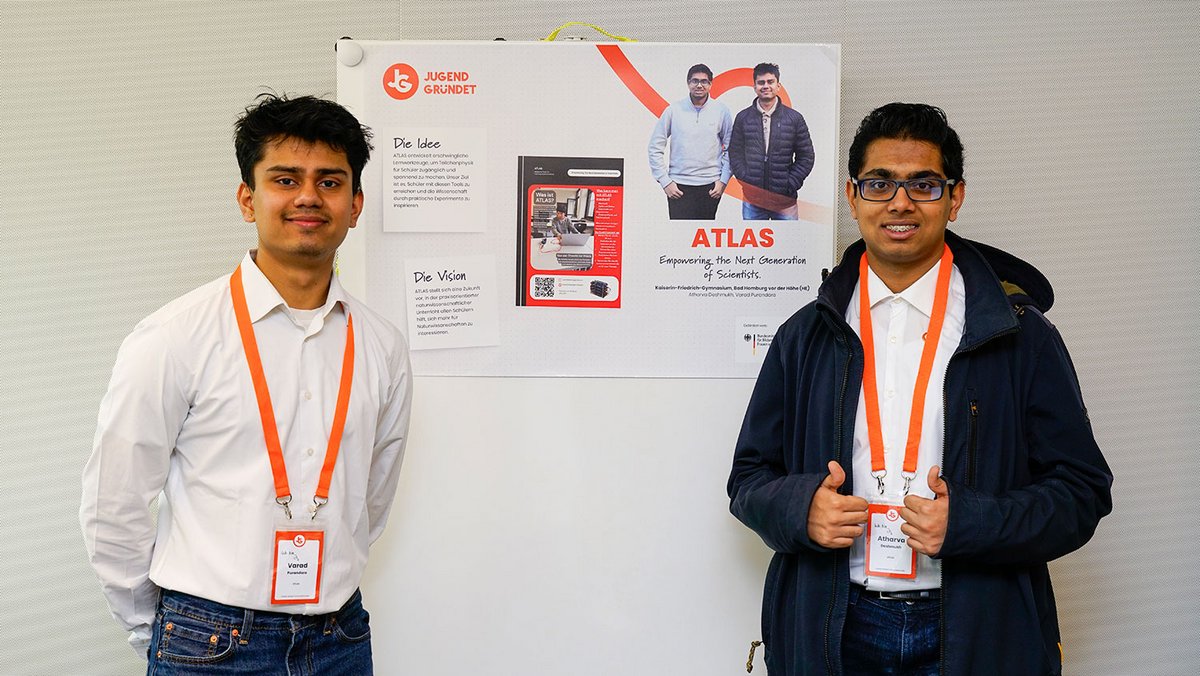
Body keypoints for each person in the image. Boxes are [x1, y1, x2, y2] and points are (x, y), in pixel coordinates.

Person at [727, 102, 1112, 675]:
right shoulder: (805, 335)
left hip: (975, 628)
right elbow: (748, 479)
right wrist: (801, 508)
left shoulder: (1018, 334)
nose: (900, 202)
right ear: (853, 196)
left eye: (923, 185)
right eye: (879, 183)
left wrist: (971, 523)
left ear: (955, 198)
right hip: (834, 627)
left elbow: (1082, 492)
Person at [80, 94, 413, 674]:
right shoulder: (175, 336)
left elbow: (372, 497)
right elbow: (116, 502)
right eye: (285, 179)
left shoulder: (382, 346)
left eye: (329, 182)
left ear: (355, 205)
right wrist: (157, 631)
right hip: (207, 641)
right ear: (247, 199)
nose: (308, 196)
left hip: (340, 638)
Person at [728, 63, 815, 220]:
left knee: (787, 237)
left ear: (778, 86)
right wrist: (746, 180)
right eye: (761, 82)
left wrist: (790, 183)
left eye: (770, 82)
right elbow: (735, 153)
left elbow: (806, 156)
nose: (766, 86)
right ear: (755, 87)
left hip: (784, 202)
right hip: (752, 201)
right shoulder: (743, 118)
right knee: (753, 237)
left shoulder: (794, 119)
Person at [647, 63, 733, 220]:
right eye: (695, 81)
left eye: (704, 81)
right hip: (679, 186)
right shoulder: (673, 110)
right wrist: (665, 181)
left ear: (710, 84)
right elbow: (655, 147)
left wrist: (723, 181)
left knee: (703, 234)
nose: (699, 85)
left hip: (710, 187)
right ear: (688, 83)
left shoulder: (721, 111)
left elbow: (731, 149)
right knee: (679, 234)